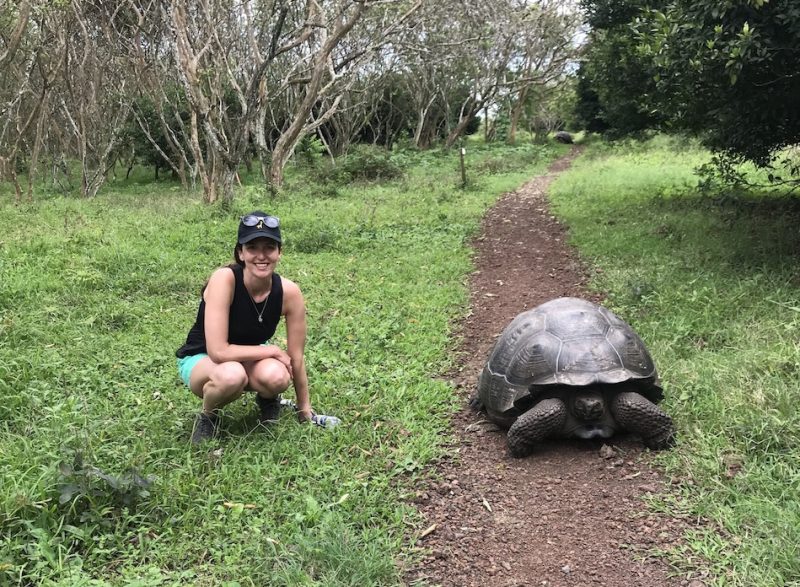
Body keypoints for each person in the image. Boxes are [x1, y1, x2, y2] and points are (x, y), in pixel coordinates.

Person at [176, 211, 313, 443]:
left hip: (248, 356)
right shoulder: (224, 279)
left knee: (278, 377)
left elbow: (296, 357)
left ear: (279, 252)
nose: (261, 256)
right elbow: (218, 351)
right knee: (232, 375)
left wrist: (304, 408)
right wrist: (271, 350)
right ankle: (209, 416)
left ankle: (268, 400)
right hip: (204, 357)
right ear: (241, 253)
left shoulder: (289, 293)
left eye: (269, 247)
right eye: (252, 248)